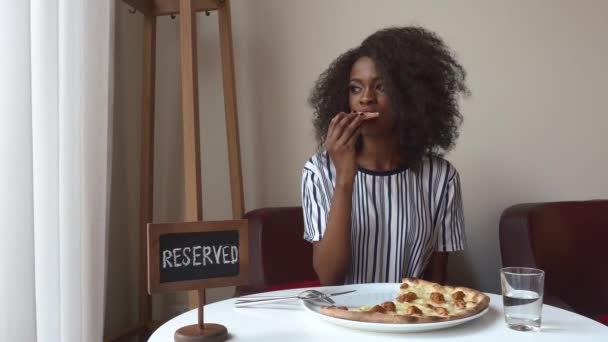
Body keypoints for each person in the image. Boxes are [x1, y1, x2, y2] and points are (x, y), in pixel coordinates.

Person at [302, 26, 469, 286]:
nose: (366, 98)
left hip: (411, 316)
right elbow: (329, 277)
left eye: (381, 87)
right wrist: (345, 177)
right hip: (342, 318)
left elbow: (438, 282)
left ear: (411, 97)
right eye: (355, 89)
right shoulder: (318, 171)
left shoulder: (441, 178)